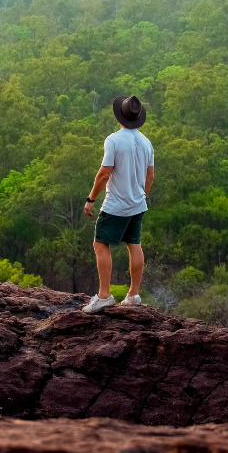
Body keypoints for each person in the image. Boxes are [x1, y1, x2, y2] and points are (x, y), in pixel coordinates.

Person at [82, 95, 154, 314]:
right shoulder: (146, 142)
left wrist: (91, 199)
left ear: (119, 116)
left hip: (116, 205)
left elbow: (104, 174)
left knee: (101, 243)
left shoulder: (113, 140)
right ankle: (133, 295)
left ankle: (104, 296)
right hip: (138, 204)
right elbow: (150, 177)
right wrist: (141, 195)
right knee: (134, 244)